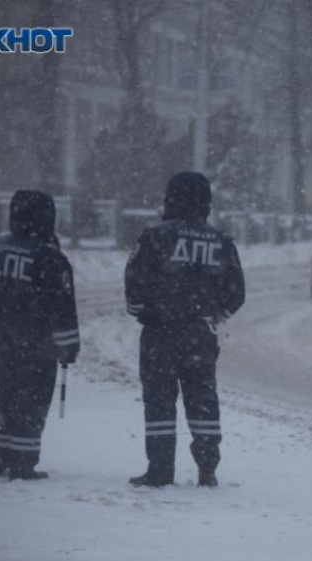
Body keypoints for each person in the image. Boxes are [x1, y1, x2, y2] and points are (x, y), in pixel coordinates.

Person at [125, 171, 245, 488]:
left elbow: (134, 288)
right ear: (206, 202)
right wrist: (212, 316)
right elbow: (237, 294)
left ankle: (160, 470)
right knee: (202, 399)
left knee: (160, 402)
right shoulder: (221, 242)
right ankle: (207, 468)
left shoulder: (154, 236)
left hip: (158, 334)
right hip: (200, 334)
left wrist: (147, 313)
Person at [0, 190, 79, 480]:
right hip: (38, 344)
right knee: (33, 399)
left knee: (4, 392)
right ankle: (22, 461)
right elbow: (62, 308)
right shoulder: (51, 258)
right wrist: (68, 347)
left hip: (0, 341)